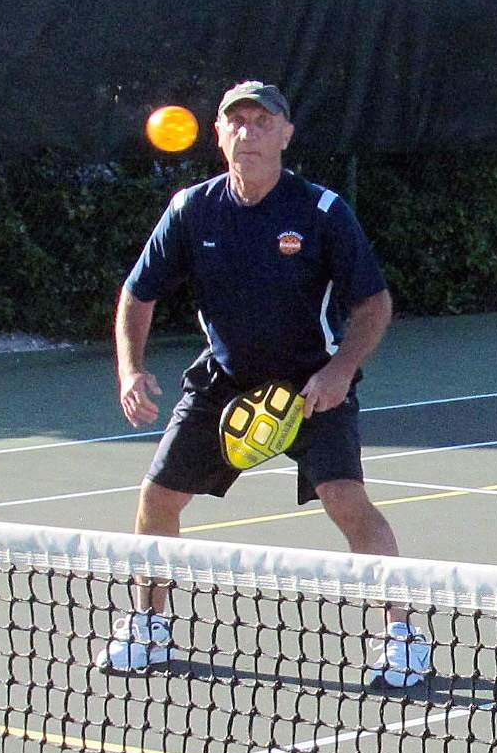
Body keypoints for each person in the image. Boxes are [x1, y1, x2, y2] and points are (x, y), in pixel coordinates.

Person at [100, 81, 431, 689]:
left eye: (262, 122)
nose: (248, 133)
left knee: (346, 501)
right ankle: (149, 624)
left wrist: (337, 372)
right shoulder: (190, 209)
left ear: (285, 135)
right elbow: (137, 294)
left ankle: (405, 634)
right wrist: (130, 368)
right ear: (220, 135)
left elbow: (374, 304)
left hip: (312, 386)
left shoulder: (322, 211)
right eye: (237, 123)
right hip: (224, 381)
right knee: (158, 498)